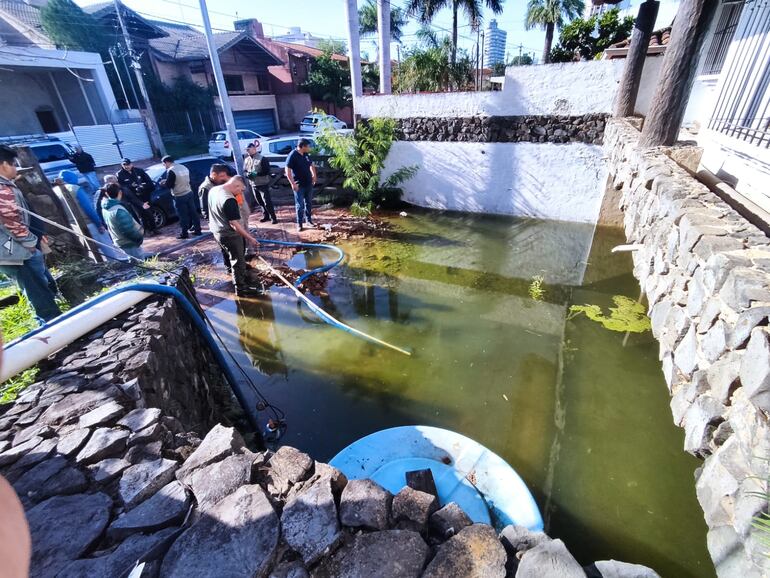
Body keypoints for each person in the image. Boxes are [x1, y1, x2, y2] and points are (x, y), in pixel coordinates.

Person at [0, 145, 61, 323]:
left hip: (14, 249)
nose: (15, 168)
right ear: (3, 164)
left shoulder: (7, 185)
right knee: (36, 290)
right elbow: (12, 221)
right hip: (14, 250)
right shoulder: (2, 190)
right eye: (13, 164)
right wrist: (30, 244)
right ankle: (51, 324)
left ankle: (51, 318)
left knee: (39, 284)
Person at [208, 176, 261, 297]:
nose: (241, 192)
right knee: (238, 260)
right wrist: (250, 238)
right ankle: (241, 288)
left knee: (229, 255)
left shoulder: (214, 190)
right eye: (241, 190)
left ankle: (235, 274)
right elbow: (235, 225)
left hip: (217, 231)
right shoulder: (229, 200)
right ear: (236, 185)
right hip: (230, 235)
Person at [54, 170, 122, 262]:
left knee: (88, 249)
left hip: (72, 226)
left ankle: (99, 266)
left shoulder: (55, 191)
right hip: (89, 223)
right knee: (106, 246)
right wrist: (99, 224)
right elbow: (88, 208)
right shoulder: (75, 188)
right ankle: (115, 264)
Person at [160, 155, 201, 239]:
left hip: (179, 195)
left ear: (167, 162)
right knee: (193, 212)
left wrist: (163, 183)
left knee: (182, 215)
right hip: (189, 192)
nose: (164, 166)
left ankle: (184, 233)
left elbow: (169, 185)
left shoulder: (171, 170)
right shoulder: (183, 167)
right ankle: (198, 230)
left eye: (163, 164)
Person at [101, 183, 146, 261]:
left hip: (119, 240)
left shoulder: (105, 208)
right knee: (140, 264)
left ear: (107, 194)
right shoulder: (119, 211)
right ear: (120, 193)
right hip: (129, 243)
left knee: (133, 262)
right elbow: (128, 231)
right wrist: (139, 239)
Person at [115, 161, 159, 236]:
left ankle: (154, 229)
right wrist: (131, 186)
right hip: (134, 198)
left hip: (144, 196)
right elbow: (122, 187)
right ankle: (146, 231)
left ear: (131, 164)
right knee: (141, 215)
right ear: (122, 165)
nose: (126, 166)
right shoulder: (119, 174)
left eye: (128, 164)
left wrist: (143, 186)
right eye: (124, 165)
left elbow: (150, 183)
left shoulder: (139, 171)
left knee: (150, 213)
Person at [285, 138, 317, 233]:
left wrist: (314, 176)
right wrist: (292, 183)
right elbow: (287, 170)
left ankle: (309, 220)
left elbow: (311, 165)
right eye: (308, 146)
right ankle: (299, 224)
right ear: (302, 146)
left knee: (309, 203)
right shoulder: (292, 155)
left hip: (308, 183)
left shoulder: (306, 154)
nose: (309, 148)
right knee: (300, 205)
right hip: (299, 185)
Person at [243, 144, 277, 223]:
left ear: (254, 149)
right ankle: (266, 216)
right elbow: (244, 171)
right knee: (260, 202)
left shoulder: (262, 158)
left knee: (267, 202)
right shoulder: (247, 159)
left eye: (249, 149)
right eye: (246, 149)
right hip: (253, 184)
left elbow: (266, 171)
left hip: (263, 184)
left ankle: (273, 217)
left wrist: (254, 174)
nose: (247, 151)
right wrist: (247, 175)